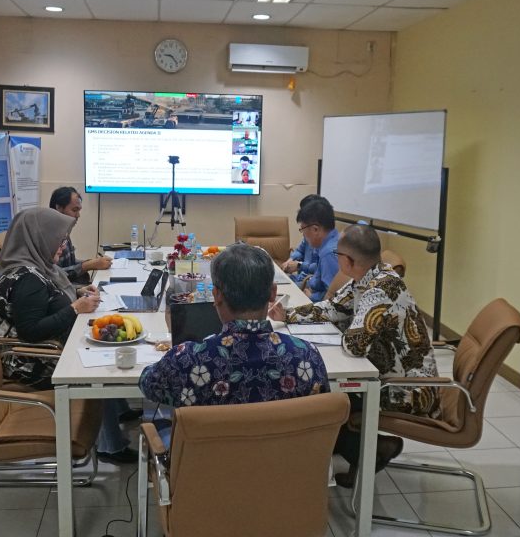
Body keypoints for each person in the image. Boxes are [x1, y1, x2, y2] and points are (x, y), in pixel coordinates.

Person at [271, 224, 439, 487]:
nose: (335, 258)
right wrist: (288, 315)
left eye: (337, 254)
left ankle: (369, 451)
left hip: (410, 389)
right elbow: (333, 308)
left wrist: (345, 329)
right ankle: (365, 449)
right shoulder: (368, 277)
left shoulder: (381, 289)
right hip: (386, 375)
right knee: (325, 391)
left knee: (327, 396)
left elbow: (355, 344)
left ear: (348, 261)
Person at [0, 207, 137, 463]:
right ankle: (109, 445)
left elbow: (49, 297)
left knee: (101, 342)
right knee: (99, 360)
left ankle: (118, 411)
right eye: (58, 239)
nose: (63, 245)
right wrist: (74, 308)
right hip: (31, 359)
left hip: (43, 347)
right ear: (39, 239)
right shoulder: (27, 280)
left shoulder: (35, 266)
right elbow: (31, 331)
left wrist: (76, 293)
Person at [140, 244, 330, 438]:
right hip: (284, 456)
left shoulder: (187, 359)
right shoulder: (307, 356)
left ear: (216, 295)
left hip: (211, 457)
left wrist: (175, 352)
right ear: (273, 293)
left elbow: (147, 384)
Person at [49, 187, 112, 286]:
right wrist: (87, 265)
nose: (78, 215)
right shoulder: (49, 236)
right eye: (74, 210)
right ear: (59, 208)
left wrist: (94, 262)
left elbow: (71, 263)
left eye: (79, 210)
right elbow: (55, 276)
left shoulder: (64, 231)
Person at [291, 198, 339, 301]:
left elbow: (334, 297)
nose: (303, 234)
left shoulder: (328, 254)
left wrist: (312, 297)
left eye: (302, 229)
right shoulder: (332, 240)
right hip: (310, 286)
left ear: (315, 229)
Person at [283, 194, 326, 282]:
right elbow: (300, 250)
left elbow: (320, 268)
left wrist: (299, 265)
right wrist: (290, 260)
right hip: (300, 277)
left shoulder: (325, 238)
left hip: (310, 281)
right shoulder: (309, 233)